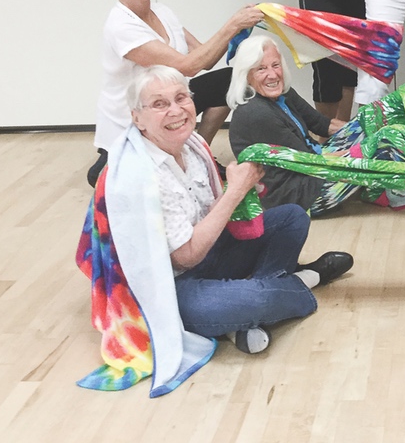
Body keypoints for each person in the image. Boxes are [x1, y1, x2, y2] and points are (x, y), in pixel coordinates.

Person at [125, 65, 352, 354]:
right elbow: (186, 256)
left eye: (181, 98)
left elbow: (212, 217)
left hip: (211, 253)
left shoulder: (193, 143)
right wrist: (234, 193)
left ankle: (243, 314)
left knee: (291, 217)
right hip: (174, 284)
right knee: (249, 300)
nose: (176, 110)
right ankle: (295, 284)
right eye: (159, 104)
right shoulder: (142, 174)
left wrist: (243, 191)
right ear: (137, 118)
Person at [89, 0, 263, 187]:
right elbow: (188, 65)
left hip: (169, 102)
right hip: (136, 119)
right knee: (120, 177)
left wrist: (240, 27)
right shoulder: (121, 26)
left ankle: (196, 154)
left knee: (231, 79)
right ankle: (107, 163)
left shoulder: (163, 12)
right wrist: (233, 24)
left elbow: (205, 58)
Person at [227, 35, 357, 218]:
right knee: (385, 142)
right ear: (247, 76)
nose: (272, 75)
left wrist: (362, 130)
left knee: (375, 126)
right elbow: (308, 161)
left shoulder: (284, 93)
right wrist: (361, 151)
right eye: (261, 69)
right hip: (296, 196)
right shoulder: (256, 113)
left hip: (313, 165)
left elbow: (322, 124)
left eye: (275, 65)